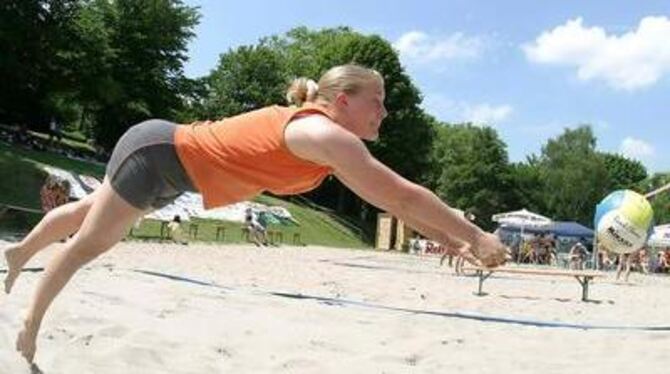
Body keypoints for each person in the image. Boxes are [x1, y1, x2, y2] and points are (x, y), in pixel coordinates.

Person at [2, 64, 508, 363]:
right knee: (91, 242)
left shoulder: (329, 139)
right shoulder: (323, 134)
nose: (384, 111)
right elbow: (402, 194)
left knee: (87, 214)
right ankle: (29, 323)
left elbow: (389, 201)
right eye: (377, 101)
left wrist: (450, 239)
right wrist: (475, 235)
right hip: (157, 154)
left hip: (168, 164)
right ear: (344, 100)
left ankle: (20, 252)